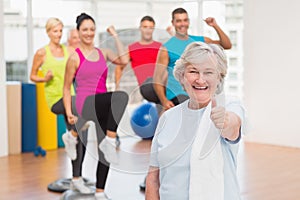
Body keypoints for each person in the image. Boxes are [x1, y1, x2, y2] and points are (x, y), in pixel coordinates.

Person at [146, 42, 244, 199]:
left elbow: (233, 128)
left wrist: (225, 121)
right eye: (193, 71)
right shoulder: (168, 118)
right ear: (182, 75)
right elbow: (153, 178)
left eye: (208, 72)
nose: (200, 79)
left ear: (219, 77)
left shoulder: (229, 105)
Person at [63, 13, 129, 199]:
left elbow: (124, 61)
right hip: (85, 103)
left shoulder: (103, 52)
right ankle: (103, 139)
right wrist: (69, 113)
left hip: (101, 104)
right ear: (78, 31)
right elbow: (66, 89)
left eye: (92, 29)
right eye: (85, 29)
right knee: (121, 96)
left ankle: (100, 191)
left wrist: (115, 35)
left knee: (104, 151)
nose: (89, 33)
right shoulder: (74, 58)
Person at [30, 18, 93, 194]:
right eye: (54, 31)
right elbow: (32, 75)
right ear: (48, 32)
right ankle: (71, 138)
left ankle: (76, 178)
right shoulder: (42, 53)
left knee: (82, 138)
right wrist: (44, 78)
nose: (58, 35)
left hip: (70, 100)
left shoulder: (69, 50)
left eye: (60, 31)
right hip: (56, 100)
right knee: (80, 114)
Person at [153, 7, 232, 112]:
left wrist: (215, 25)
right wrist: (164, 101)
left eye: (185, 20)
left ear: (188, 22)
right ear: (173, 22)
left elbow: (226, 45)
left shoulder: (201, 41)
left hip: (200, 94)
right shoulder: (166, 48)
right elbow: (157, 79)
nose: (182, 24)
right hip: (177, 98)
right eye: (179, 21)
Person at [114, 15, 162, 105]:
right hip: (144, 89)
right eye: (145, 27)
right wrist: (117, 87)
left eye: (150, 28)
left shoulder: (160, 47)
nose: (147, 30)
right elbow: (119, 68)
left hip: (161, 87)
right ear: (140, 28)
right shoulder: (132, 48)